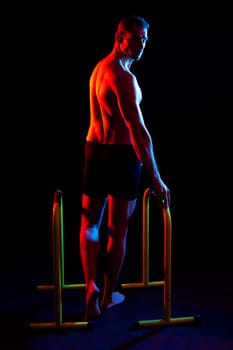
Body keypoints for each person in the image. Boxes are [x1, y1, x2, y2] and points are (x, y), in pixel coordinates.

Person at [79, 14, 170, 321]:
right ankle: (106, 295)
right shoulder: (123, 77)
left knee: (90, 223)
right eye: (135, 40)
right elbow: (138, 130)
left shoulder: (98, 69)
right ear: (119, 36)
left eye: (145, 40)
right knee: (116, 231)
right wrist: (156, 178)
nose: (141, 46)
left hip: (94, 150)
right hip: (120, 157)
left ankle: (91, 287)